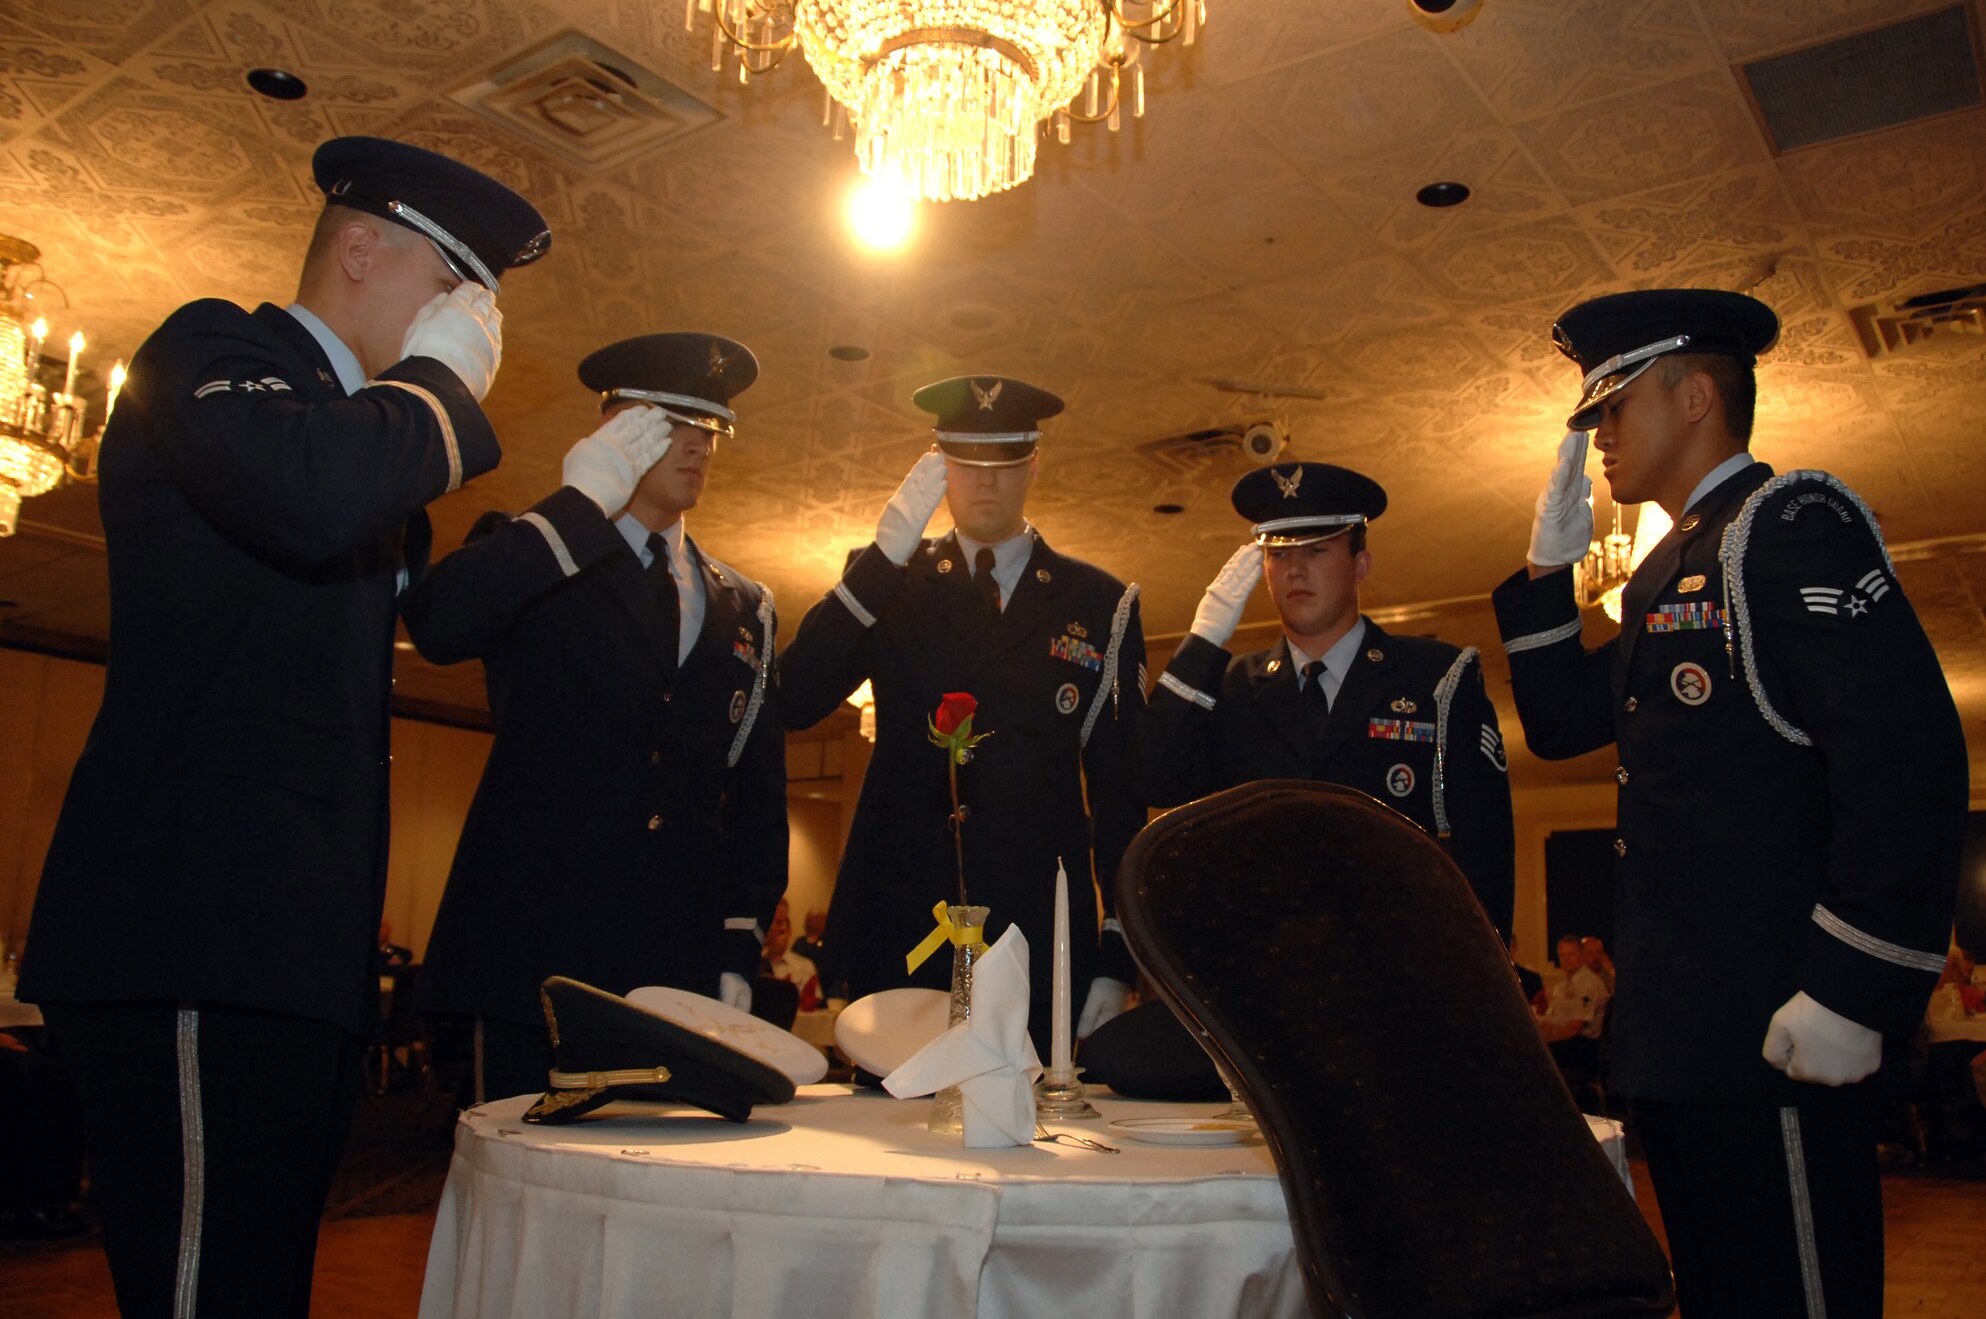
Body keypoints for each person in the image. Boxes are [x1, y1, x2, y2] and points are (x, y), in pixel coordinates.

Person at [17, 135, 546, 1316]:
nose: (474, 327)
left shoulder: (356, 448)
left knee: (259, 1287)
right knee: (207, 1292)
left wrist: (585, 503)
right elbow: (309, 496)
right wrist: (437, 386)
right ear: (359, 247)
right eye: (458, 288)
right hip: (193, 917)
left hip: (290, 941)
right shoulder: (213, 348)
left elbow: (444, 620)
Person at [1493, 288, 1966, 1318]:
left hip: (1778, 1025)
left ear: (1696, 392)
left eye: (1612, 408)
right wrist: (1543, 574)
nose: (1598, 437)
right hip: (1687, 1036)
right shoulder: (1668, 568)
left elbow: (1905, 762)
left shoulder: (1783, 527)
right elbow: (1564, 724)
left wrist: (1852, 986)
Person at [403, 332, 787, 1104]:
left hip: (671, 966)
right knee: (519, 1192)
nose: (699, 446)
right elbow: (438, 620)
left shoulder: (746, 605)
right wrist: (579, 507)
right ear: (620, 425)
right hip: (532, 947)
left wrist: (736, 945)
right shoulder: (540, 553)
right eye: (675, 422)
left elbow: (753, 795)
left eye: (711, 430)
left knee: (650, 1196)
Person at [778, 376, 1147, 1063]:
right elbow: (795, 696)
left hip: (1035, 932)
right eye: (968, 462)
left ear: (1034, 465)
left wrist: (1119, 949)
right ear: (939, 465)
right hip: (903, 912)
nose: (986, 482)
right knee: (891, 1147)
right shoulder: (889, 578)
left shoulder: (1099, 604)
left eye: (1005, 462)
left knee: (1029, 1147)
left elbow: (1120, 791)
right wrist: (881, 561)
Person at [1140, 461, 1514, 934]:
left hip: (1399, 968)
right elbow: (1155, 779)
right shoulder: (1232, 685)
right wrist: (1203, 642)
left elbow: (1487, 850)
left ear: (1360, 564)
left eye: (1317, 550)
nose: (1294, 568)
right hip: (1262, 973)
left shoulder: (1435, 678)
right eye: (1277, 555)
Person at [1537, 934, 1608, 1062]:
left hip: (1582, 1047)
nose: (1566, 960)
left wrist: (1546, 1041)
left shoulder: (1589, 984)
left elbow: (1575, 1027)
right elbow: (1553, 1019)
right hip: (1567, 1043)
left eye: (1571, 954)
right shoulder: (1563, 987)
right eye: (1563, 955)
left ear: (1582, 956)